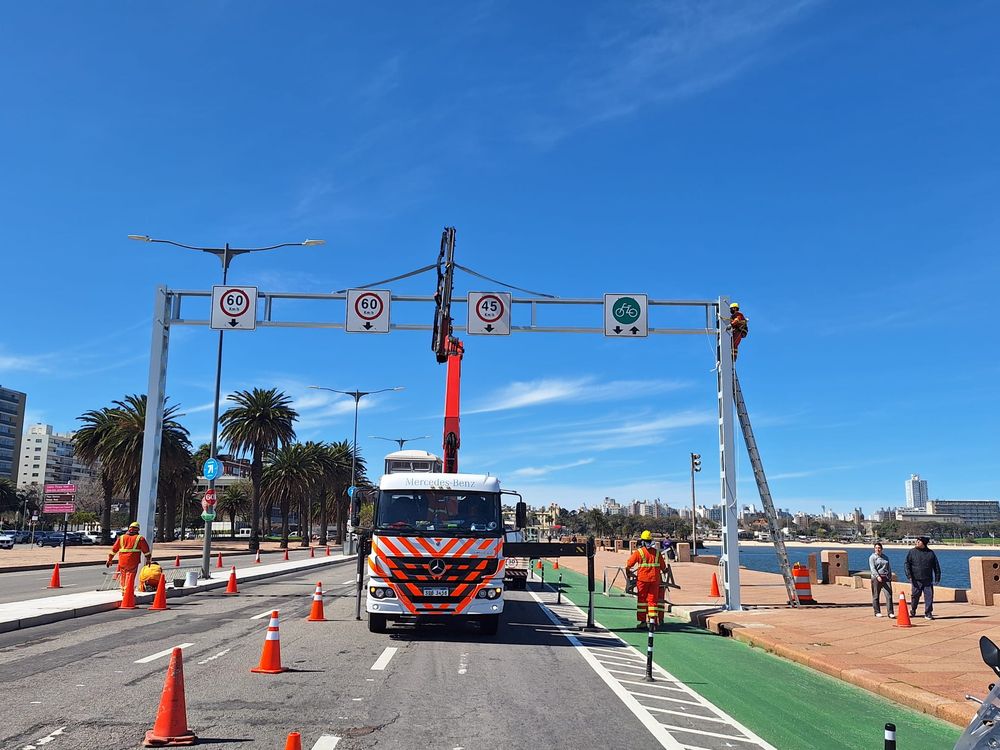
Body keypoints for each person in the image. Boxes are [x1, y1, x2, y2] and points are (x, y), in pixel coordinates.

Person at [625, 530, 667, 630]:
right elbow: (663, 568)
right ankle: (652, 622)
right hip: (654, 580)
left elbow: (629, 564)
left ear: (642, 541)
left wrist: (628, 572)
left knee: (642, 601)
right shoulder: (657, 553)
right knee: (652, 601)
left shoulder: (639, 552)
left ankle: (643, 622)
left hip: (642, 580)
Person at [107, 521, 151, 594]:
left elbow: (114, 549)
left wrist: (110, 559)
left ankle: (124, 591)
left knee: (123, 575)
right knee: (130, 575)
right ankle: (128, 592)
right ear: (138, 530)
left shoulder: (121, 537)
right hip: (133, 560)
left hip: (122, 560)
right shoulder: (140, 538)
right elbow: (146, 551)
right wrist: (148, 560)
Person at [904, 536, 941, 620]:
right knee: (915, 596)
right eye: (917, 541)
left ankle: (928, 612)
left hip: (928, 579)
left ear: (923, 543)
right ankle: (913, 609)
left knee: (929, 596)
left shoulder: (931, 553)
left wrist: (937, 577)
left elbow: (936, 566)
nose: (917, 542)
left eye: (919, 541)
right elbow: (907, 564)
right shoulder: (912, 552)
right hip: (916, 579)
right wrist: (909, 575)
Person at [869, 542, 895, 618]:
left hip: (886, 578)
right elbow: (872, 568)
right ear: (874, 549)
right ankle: (877, 611)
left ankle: (890, 612)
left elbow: (888, 567)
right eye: (876, 548)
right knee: (876, 595)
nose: (878, 549)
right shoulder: (872, 557)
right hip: (876, 578)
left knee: (889, 595)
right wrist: (877, 576)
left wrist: (890, 576)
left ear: (882, 549)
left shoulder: (885, 557)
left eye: (879, 548)